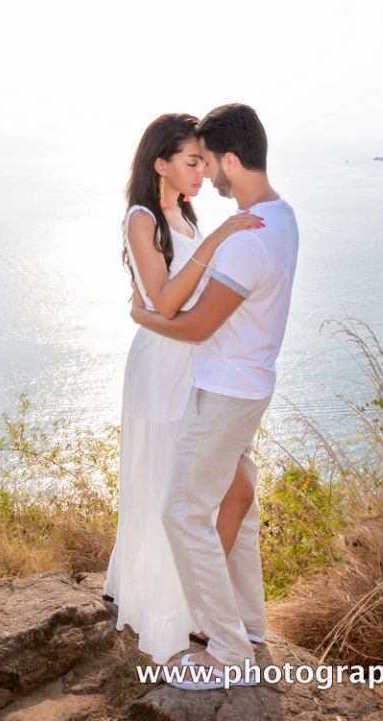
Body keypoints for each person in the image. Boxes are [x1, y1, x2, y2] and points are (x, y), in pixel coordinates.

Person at [129, 103, 299, 690]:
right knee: (242, 502)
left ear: (230, 161)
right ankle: (248, 625)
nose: (208, 176)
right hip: (247, 386)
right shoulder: (282, 217)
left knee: (182, 511)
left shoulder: (248, 237)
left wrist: (143, 318)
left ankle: (228, 651)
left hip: (223, 392)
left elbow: (196, 325)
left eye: (209, 163)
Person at [106, 112, 265, 665]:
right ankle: (177, 607)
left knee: (234, 487)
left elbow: (191, 300)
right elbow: (166, 301)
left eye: (205, 160)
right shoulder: (142, 218)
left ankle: (193, 599)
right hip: (161, 365)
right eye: (192, 161)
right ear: (161, 163)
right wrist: (221, 235)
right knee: (170, 487)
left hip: (194, 362)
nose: (203, 172)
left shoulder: (186, 214)